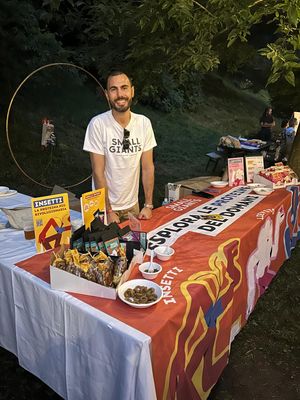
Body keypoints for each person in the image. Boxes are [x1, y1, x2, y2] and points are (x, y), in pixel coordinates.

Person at [83, 70, 157, 223]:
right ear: (106, 94)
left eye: (124, 88)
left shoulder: (144, 123)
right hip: (102, 207)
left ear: (132, 91)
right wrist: (108, 210)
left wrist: (148, 205)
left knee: (134, 246)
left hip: (133, 206)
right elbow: (98, 172)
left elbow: (148, 167)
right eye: (113, 89)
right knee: (99, 247)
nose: (120, 94)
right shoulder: (98, 124)